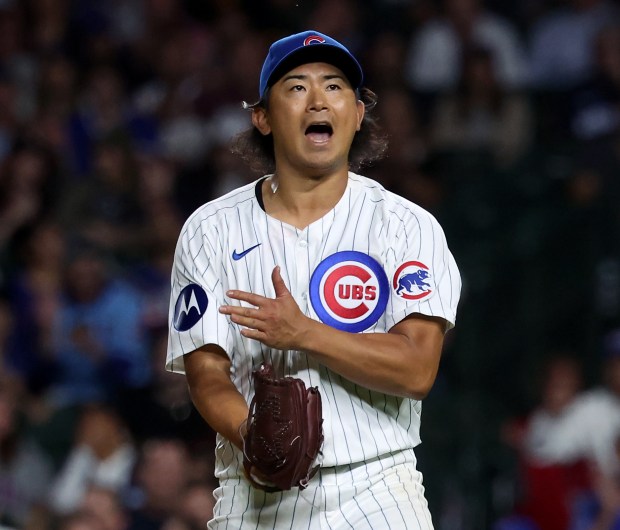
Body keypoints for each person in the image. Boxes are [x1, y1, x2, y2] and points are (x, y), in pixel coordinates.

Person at [166, 30, 461, 529]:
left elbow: (416, 370)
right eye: (297, 87)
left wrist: (303, 334)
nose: (318, 99)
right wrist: (251, 434)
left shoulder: (405, 225)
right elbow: (206, 371)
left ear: (358, 112)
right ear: (262, 117)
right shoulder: (210, 229)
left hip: (377, 487)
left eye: (335, 85)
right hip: (252, 491)